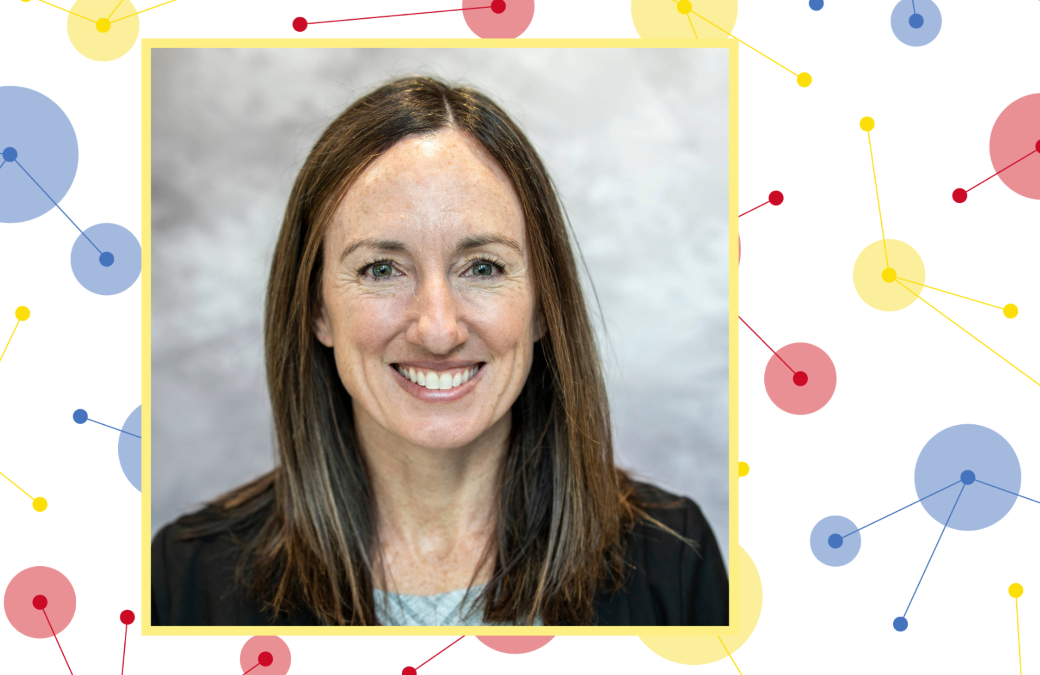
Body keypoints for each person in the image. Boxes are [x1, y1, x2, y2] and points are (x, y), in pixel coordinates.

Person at [151, 74, 727, 627]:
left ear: (543, 305)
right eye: (381, 269)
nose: (438, 329)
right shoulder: (186, 579)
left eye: (483, 267)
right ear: (316, 309)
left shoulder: (673, 560)